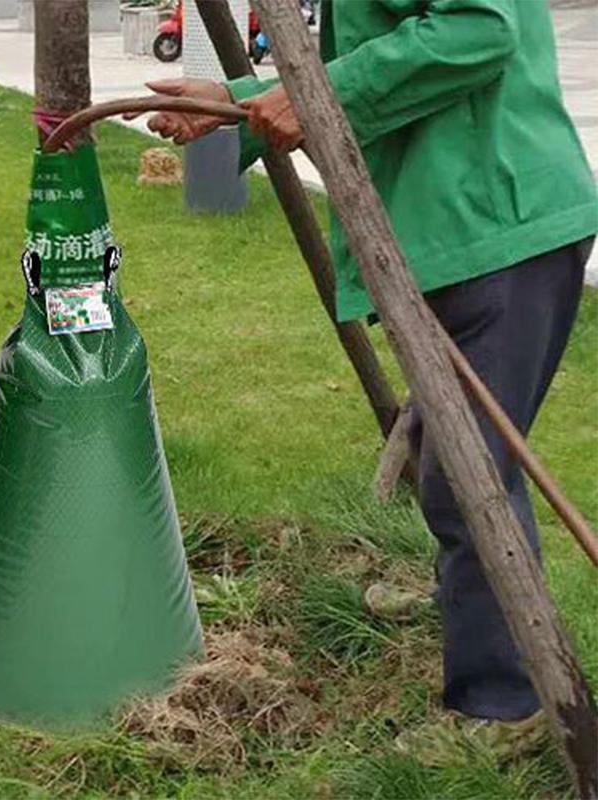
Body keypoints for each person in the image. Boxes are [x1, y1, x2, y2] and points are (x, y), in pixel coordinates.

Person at [130, 0, 598, 764]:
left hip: (499, 223)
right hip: (462, 221)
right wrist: (238, 104)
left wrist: (313, 98)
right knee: (452, 458)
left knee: (470, 478)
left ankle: (504, 704)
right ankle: (469, 602)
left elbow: (478, 29)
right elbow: (371, 54)